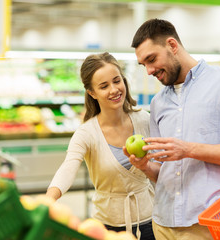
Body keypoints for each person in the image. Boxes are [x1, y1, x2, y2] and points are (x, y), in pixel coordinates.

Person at [124, 18, 220, 240]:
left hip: (209, 222)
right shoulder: (158, 103)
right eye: (143, 65)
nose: (149, 70)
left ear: (172, 45)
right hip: (163, 222)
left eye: (151, 59)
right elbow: (163, 172)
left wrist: (188, 149)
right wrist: (145, 166)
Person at [46, 52, 155, 240]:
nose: (114, 90)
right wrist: (48, 200)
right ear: (92, 93)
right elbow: (68, 167)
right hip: (106, 227)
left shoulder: (144, 119)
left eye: (116, 81)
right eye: (104, 86)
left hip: (150, 221)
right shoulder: (87, 133)